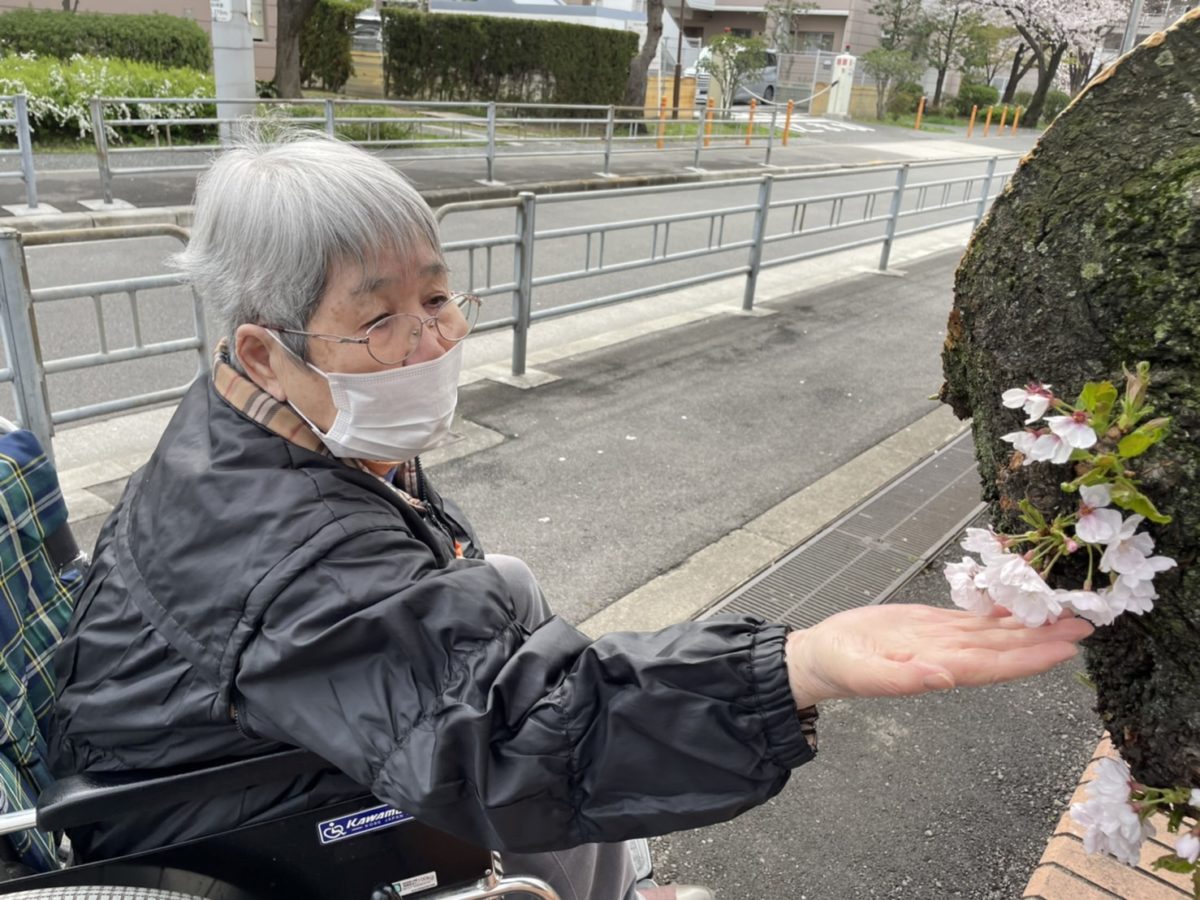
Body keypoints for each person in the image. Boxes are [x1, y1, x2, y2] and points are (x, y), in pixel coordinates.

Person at [48, 130, 1093, 900]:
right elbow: (504, 737)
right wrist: (796, 668)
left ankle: (615, 881)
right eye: (376, 318)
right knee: (523, 687)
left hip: (235, 743)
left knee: (501, 586)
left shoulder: (257, 421)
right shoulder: (280, 550)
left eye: (437, 296)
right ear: (264, 351)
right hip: (227, 823)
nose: (429, 341)